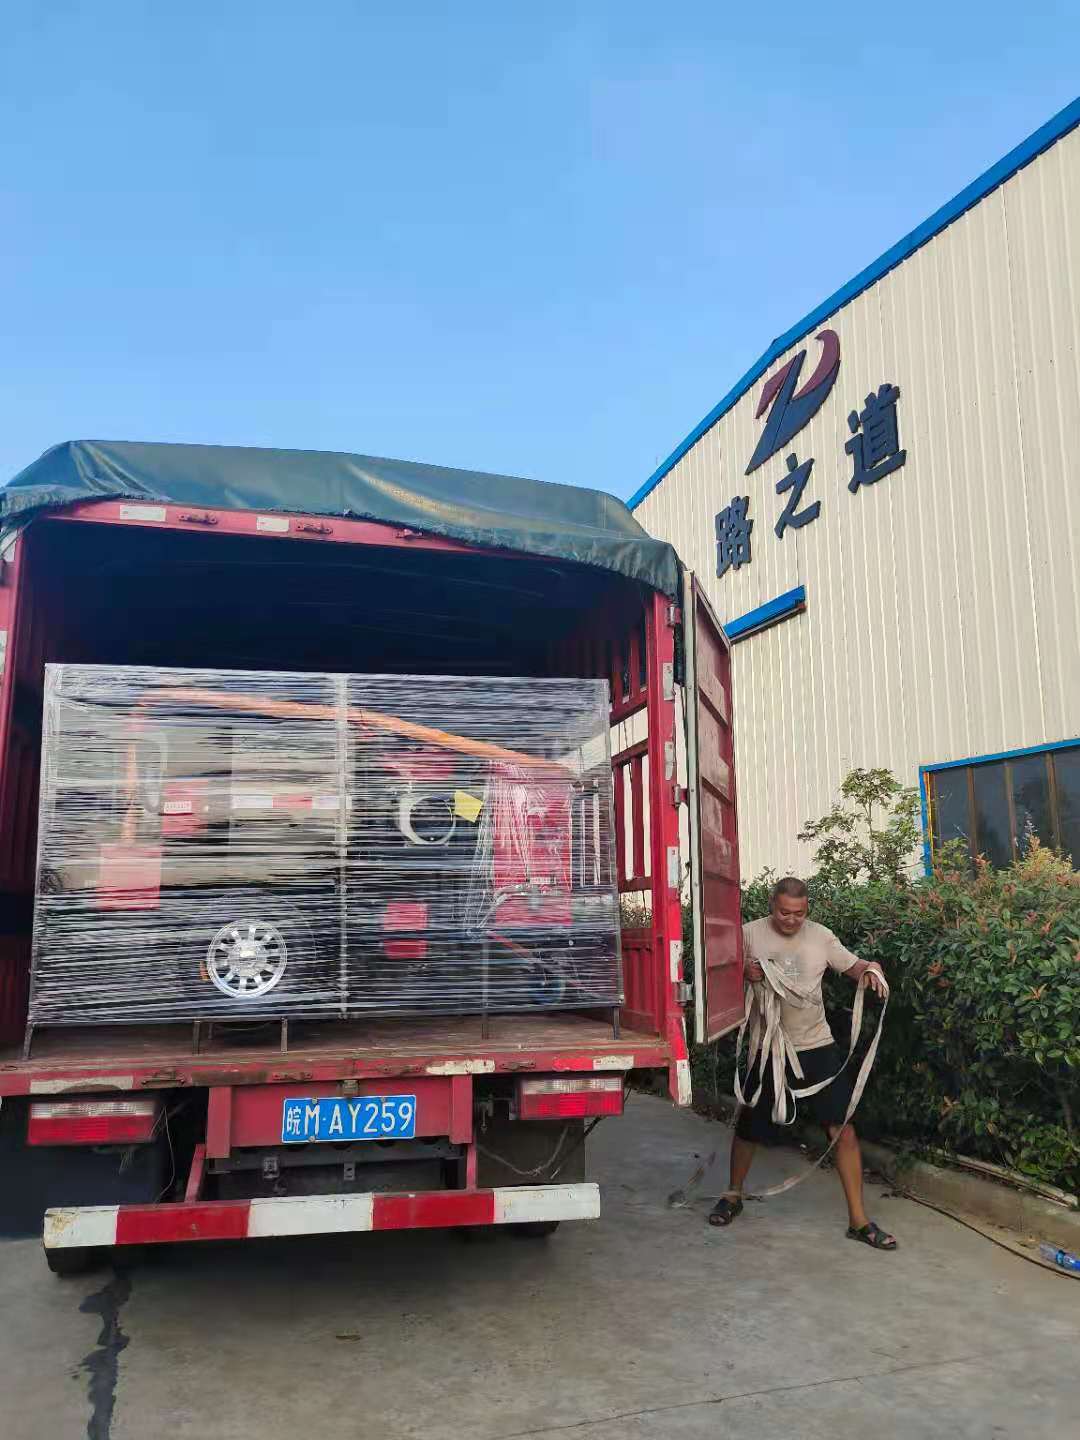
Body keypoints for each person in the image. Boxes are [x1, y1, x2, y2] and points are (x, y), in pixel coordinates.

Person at [708, 876, 897, 1250]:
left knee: (842, 1129)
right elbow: (716, 972)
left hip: (816, 1045)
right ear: (771, 905)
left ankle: (859, 1221)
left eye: (799, 913)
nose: (791, 920)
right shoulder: (748, 934)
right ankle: (733, 1195)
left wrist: (872, 969)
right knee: (749, 1127)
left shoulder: (821, 937)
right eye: (784, 912)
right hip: (768, 1048)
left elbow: (854, 966)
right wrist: (741, 972)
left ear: (807, 909)